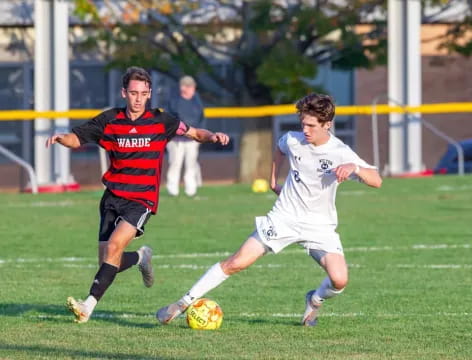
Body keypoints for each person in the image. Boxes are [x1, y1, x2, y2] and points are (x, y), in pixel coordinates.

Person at [156, 93, 382, 327]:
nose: (305, 129)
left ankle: (314, 301)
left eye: (311, 125)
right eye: (303, 123)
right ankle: (182, 303)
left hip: (320, 225)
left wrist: (354, 167)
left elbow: (376, 180)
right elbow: (280, 148)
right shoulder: (293, 140)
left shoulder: (339, 152)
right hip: (284, 217)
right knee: (237, 262)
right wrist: (274, 182)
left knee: (339, 279)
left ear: (327, 125)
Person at [46, 66, 229, 323]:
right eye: (133, 93)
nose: (138, 98)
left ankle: (87, 306)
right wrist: (60, 138)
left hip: (142, 198)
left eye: (143, 93)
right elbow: (78, 138)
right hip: (112, 198)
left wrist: (213, 137)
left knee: (114, 247)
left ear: (149, 93)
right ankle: (142, 257)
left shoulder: (161, 120)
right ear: (124, 93)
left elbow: (195, 133)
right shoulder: (109, 120)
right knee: (108, 260)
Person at [165, 76, 205, 197]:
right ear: (182, 87)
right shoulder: (174, 100)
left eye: (192, 86)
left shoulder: (196, 100)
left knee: (191, 164)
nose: (190, 89)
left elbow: (201, 117)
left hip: (193, 139)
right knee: (175, 163)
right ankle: (173, 190)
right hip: (177, 139)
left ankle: (191, 190)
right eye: (187, 86)